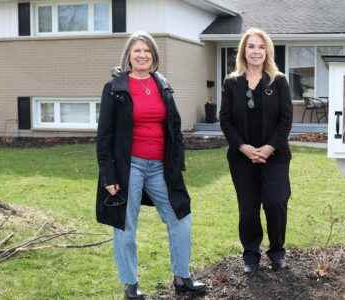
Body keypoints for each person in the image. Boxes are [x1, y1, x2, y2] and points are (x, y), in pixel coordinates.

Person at [96, 31, 205, 299]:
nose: (142, 55)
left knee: (181, 217)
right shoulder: (115, 89)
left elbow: (174, 127)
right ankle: (130, 285)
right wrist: (108, 175)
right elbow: (105, 135)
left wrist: (177, 162)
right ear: (128, 57)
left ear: (154, 56)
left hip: (161, 167)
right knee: (126, 224)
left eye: (147, 51)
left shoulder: (163, 85)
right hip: (128, 166)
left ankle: (182, 277)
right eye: (137, 51)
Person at [220, 28, 293, 273]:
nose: (256, 51)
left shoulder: (279, 81)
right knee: (248, 207)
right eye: (251, 46)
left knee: (275, 202)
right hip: (242, 158)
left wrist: (269, 148)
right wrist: (244, 147)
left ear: (268, 51)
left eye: (261, 47)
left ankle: (277, 250)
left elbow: (286, 120)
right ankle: (251, 254)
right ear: (243, 50)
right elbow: (225, 120)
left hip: (275, 157)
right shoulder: (231, 83)